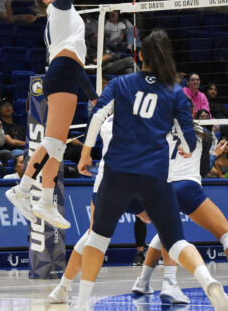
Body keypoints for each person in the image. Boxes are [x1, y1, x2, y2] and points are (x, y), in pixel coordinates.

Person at [70, 30, 228, 311]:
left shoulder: (121, 83)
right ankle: (208, 283)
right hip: (153, 177)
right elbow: (189, 140)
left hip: (117, 173)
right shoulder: (175, 93)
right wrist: (184, 147)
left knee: (98, 237)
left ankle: (83, 303)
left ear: (140, 56)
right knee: (174, 239)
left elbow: (97, 116)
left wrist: (85, 153)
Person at [6, 0, 93, 229]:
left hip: (65, 72)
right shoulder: (59, 6)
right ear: (47, 0)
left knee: (57, 142)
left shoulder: (61, 21)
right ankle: (22, 188)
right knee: (55, 141)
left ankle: (44, 200)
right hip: (61, 73)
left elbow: (76, 61)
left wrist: (92, 95)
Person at [130, 118, 228, 302]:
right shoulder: (203, 133)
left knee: (166, 233)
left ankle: (143, 281)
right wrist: (216, 154)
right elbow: (203, 170)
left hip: (162, 187)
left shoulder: (158, 127)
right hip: (188, 187)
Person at [48, 114, 152, 304]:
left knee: (93, 234)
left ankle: (63, 287)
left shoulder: (107, 119)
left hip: (104, 182)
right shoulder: (146, 113)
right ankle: (156, 281)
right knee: (166, 225)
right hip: (134, 180)